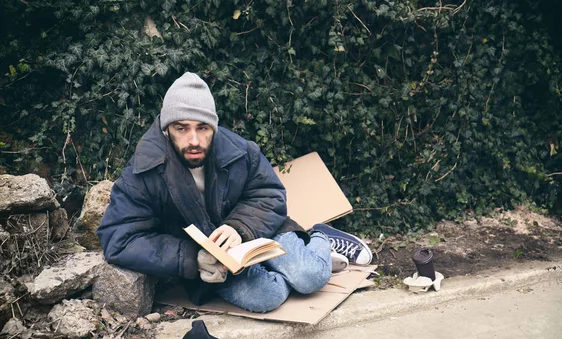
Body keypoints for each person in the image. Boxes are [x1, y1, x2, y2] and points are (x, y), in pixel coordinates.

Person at [97, 72, 372, 313]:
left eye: (202, 128)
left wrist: (238, 227)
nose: (194, 140)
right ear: (167, 129)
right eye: (182, 128)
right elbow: (119, 239)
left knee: (309, 276)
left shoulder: (240, 151)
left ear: (213, 127)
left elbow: (270, 195)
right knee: (268, 296)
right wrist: (192, 257)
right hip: (214, 264)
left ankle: (321, 237)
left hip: (261, 234)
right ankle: (294, 264)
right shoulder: (143, 172)